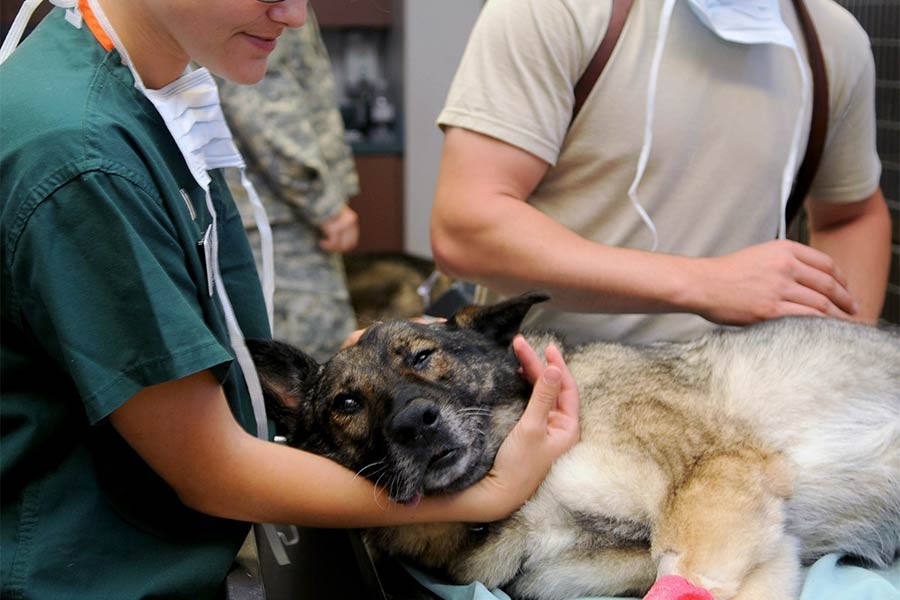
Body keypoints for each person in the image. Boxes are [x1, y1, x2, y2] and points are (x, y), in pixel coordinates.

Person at [0, 1, 580, 598]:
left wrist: (377, 366)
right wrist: (494, 491)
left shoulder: (148, 94)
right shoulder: (84, 159)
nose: (295, 15)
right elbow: (211, 470)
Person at [430, 0, 892, 346]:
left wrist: (841, 354)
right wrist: (705, 283)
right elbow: (466, 227)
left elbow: (851, 215)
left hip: (746, 407)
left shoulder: (831, 41)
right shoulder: (561, 9)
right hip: (555, 403)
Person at [218, 9, 361, 362]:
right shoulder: (265, 11)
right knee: (314, 368)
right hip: (277, 218)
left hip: (271, 211)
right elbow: (261, 103)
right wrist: (323, 204)